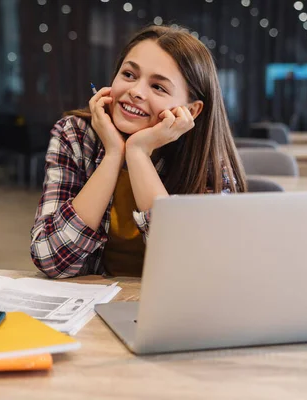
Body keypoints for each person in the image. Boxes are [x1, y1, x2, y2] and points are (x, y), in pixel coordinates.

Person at [30, 25, 247, 279]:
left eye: (158, 87)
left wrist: (138, 153)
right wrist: (113, 155)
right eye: (129, 75)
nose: (135, 91)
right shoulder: (76, 134)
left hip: (174, 311)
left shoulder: (207, 160)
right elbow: (50, 258)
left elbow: (192, 272)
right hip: (93, 307)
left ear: (193, 111)